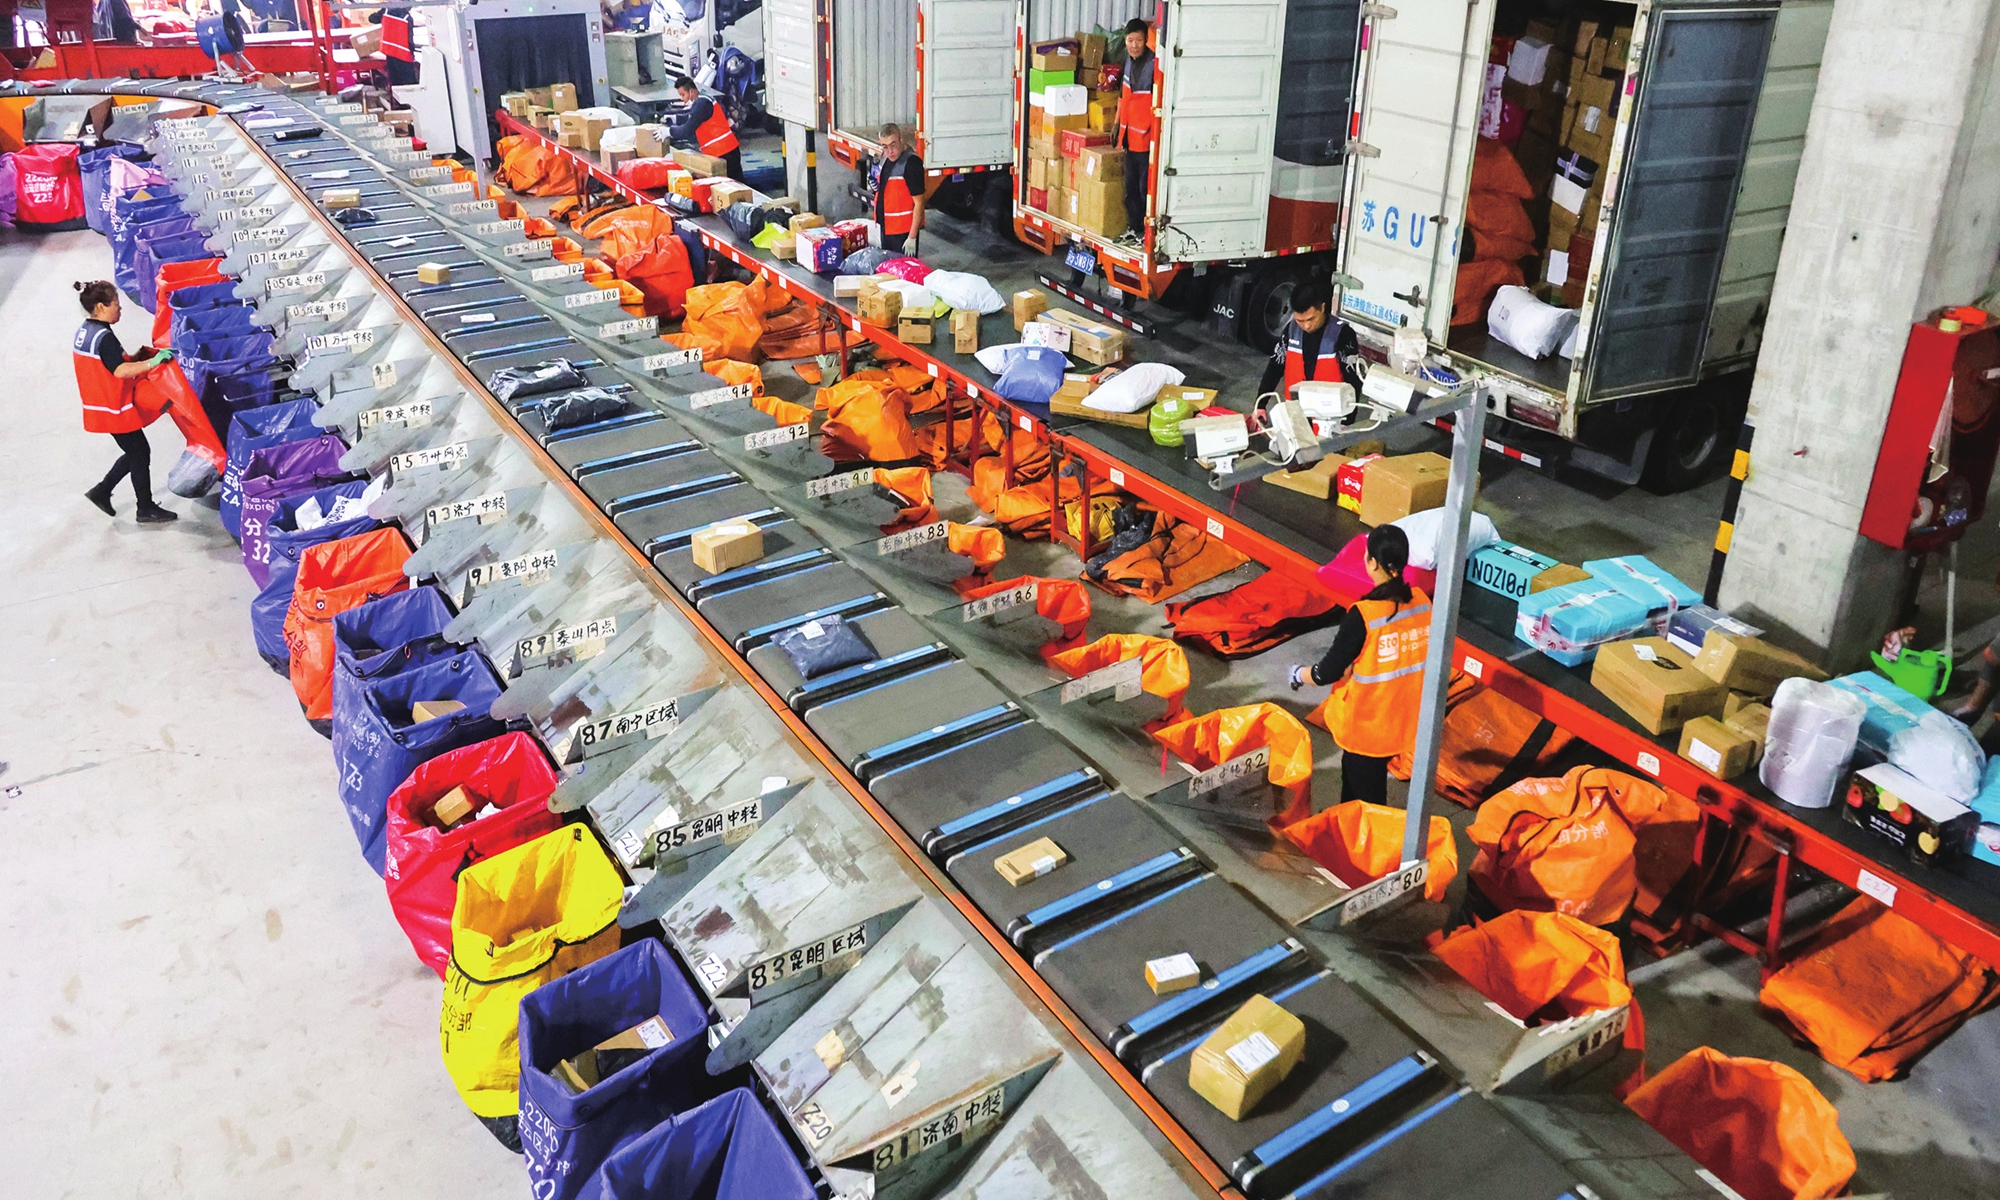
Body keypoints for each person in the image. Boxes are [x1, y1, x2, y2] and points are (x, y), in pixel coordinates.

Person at [1288, 525, 1430, 804]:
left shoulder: (1363, 615)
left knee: (1365, 798)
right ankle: (1351, 836)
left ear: (1373, 563)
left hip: (1369, 726)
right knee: (1360, 789)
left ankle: (1363, 842)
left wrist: (1297, 674)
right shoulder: (1423, 602)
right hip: (1405, 718)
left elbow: (1326, 672)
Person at [72, 280, 178, 524]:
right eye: (116, 305)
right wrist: (153, 362)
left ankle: (102, 492)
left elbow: (105, 365)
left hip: (99, 404)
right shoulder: (104, 337)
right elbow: (119, 371)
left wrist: (134, 358)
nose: (120, 310)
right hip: (113, 407)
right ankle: (145, 508)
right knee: (139, 453)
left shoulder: (86, 330)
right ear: (100, 306)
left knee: (135, 451)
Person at [1257, 277, 1365, 397]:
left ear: (1322, 308)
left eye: (1311, 319)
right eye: (1300, 320)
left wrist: (1349, 413)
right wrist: (1261, 403)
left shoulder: (1343, 334)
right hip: (1295, 410)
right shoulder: (1291, 330)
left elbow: (1353, 381)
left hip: (1330, 412)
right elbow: (1275, 366)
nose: (1306, 326)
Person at [1115, 18, 1156, 245]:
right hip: (1130, 139)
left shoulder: (1154, 64)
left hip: (1146, 140)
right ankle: (1133, 228)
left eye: (1139, 40)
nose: (1134, 45)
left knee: (1144, 190)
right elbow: (1123, 96)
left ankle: (1144, 233)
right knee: (1130, 189)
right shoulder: (1128, 63)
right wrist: (1116, 124)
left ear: (1145, 40)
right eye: (1130, 40)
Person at [668, 75, 742, 181]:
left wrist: (668, 131)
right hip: (724, 151)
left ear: (692, 92)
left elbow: (687, 130)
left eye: (683, 95)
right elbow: (693, 117)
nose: (682, 99)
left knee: (732, 187)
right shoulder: (703, 100)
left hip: (725, 153)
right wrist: (675, 118)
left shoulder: (702, 104)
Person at [870, 123, 926, 255]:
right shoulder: (885, 157)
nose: (889, 151)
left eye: (893, 145)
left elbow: (919, 202)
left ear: (901, 139)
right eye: (885, 146)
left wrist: (912, 237)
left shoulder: (912, 163)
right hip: (886, 228)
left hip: (903, 234)